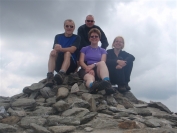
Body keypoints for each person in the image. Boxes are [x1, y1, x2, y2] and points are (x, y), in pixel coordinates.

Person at [79, 28, 115, 95]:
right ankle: (93, 86)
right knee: (90, 77)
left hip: (98, 69)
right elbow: (81, 61)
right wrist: (88, 69)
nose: (94, 38)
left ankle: (107, 84)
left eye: (96, 36)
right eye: (92, 36)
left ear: (99, 38)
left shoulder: (103, 50)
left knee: (102, 63)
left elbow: (103, 61)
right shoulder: (84, 49)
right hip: (85, 68)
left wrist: (94, 65)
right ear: (89, 38)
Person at [46, 19, 81, 87]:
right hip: (59, 63)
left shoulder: (77, 37)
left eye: (71, 26)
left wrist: (61, 49)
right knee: (53, 53)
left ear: (74, 28)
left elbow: (73, 49)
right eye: (67, 26)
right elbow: (56, 47)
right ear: (64, 27)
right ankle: (50, 76)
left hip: (71, 65)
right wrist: (56, 49)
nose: (69, 28)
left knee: (67, 53)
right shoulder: (58, 36)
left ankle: (62, 74)